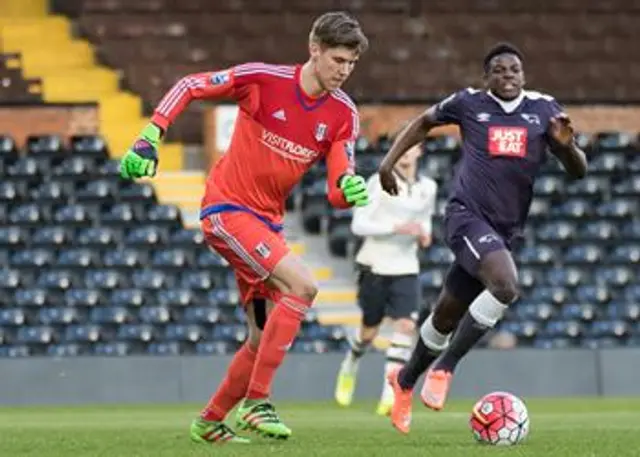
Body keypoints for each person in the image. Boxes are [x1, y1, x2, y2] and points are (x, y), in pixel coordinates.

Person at [118, 11, 370, 443]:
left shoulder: (343, 114)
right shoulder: (263, 80)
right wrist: (151, 134)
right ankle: (257, 403)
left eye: (351, 63)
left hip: (265, 228)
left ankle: (210, 420)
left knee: (260, 337)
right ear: (315, 50)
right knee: (304, 287)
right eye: (338, 60)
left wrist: (350, 188)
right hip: (228, 211)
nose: (344, 71)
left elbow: (336, 189)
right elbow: (189, 86)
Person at [378, 42, 587, 434]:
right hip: (466, 218)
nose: (508, 76)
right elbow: (423, 122)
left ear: (524, 75)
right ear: (486, 76)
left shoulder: (544, 110)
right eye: (499, 70)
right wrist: (388, 163)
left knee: (443, 317)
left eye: (514, 70)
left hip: (504, 231)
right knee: (506, 286)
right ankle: (445, 369)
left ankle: (403, 382)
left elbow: (579, 171)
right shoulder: (468, 103)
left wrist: (567, 147)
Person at [334, 143, 437, 416]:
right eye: (401, 146)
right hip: (375, 265)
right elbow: (359, 224)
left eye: (411, 147)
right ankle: (351, 361)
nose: (405, 152)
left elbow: (425, 220)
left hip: (406, 267)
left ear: (420, 151)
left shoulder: (428, 186)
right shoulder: (377, 182)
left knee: (405, 325)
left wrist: (425, 233)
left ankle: (389, 392)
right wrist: (397, 228)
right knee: (369, 331)